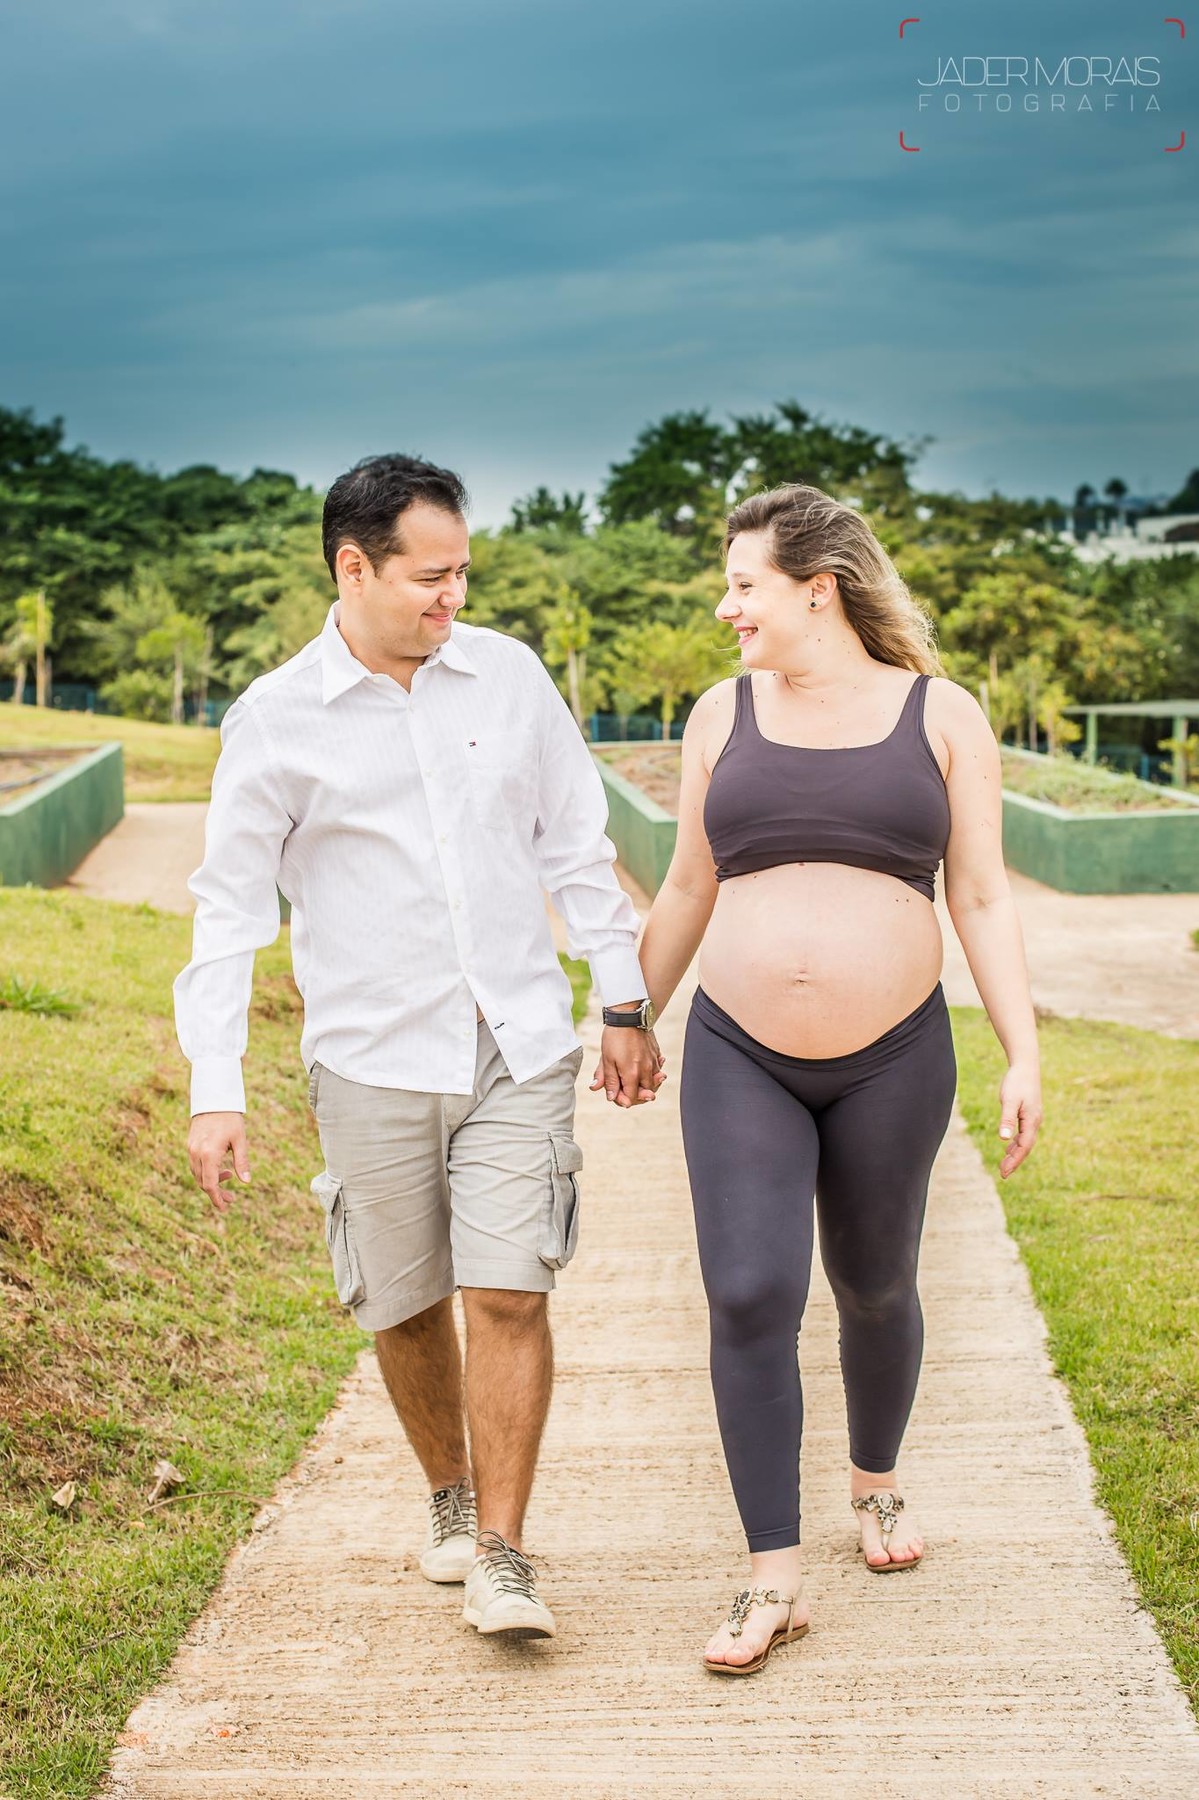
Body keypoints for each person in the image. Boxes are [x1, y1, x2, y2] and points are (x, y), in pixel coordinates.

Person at [174, 453, 662, 1642]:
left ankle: (503, 1550)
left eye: (462, 574)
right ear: (354, 568)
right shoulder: (275, 722)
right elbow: (230, 911)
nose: (454, 599)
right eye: (430, 578)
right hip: (369, 1054)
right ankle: (447, 1497)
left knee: (506, 1289)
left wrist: (624, 1000)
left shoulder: (507, 679)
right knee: (401, 1302)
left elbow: (574, 843)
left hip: (512, 1040)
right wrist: (215, 1087)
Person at [633, 483, 1043, 1675]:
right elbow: (683, 889)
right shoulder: (720, 715)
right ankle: (771, 1579)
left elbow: (978, 895)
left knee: (872, 1286)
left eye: (744, 584)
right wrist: (625, 1015)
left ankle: (872, 1484)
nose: (726, 607)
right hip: (738, 1052)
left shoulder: (941, 714)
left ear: (818, 590)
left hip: (894, 1056)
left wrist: (1021, 1051)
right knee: (750, 1292)